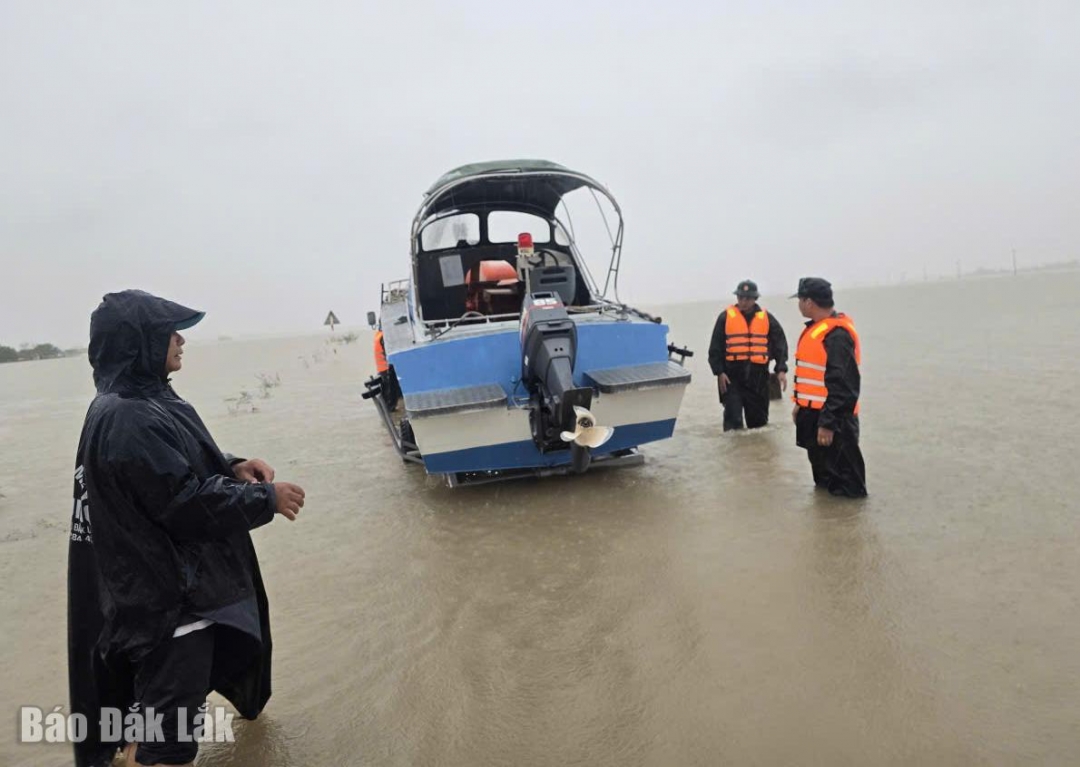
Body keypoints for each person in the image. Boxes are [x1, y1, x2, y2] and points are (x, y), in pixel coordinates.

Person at [68, 290, 306, 767]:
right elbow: (184, 505)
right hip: (171, 606)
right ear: (140, 343)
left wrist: (231, 466)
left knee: (150, 721)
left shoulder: (137, 401)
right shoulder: (130, 416)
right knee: (170, 743)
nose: (180, 340)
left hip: (160, 595)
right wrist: (266, 499)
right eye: (169, 332)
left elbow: (172, 473)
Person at [790, 277, 867, 497]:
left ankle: (850, 529)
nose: (799, 305)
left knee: (848, 489)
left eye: (800, 300)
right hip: (815, 414)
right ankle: (828, 527)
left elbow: (845, 386)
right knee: (824, 484)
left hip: (835, 421)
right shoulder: (818, 330)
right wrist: (800, 404)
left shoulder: (837, 335)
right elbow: (815, 377)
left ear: (809, 303)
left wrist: (828, 424)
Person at [707, 279, 789, 431]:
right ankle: (734, 453)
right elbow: (715, 348)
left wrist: (781, 369)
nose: (743, 301)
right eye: (740, 297)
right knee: (733, 424)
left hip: (758, 378)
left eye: (748, 298)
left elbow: (780, 345)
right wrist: (719, 372)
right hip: (731, 378)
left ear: (755, 299)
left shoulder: (767, 318)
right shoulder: (725, 317)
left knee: (759, 426)